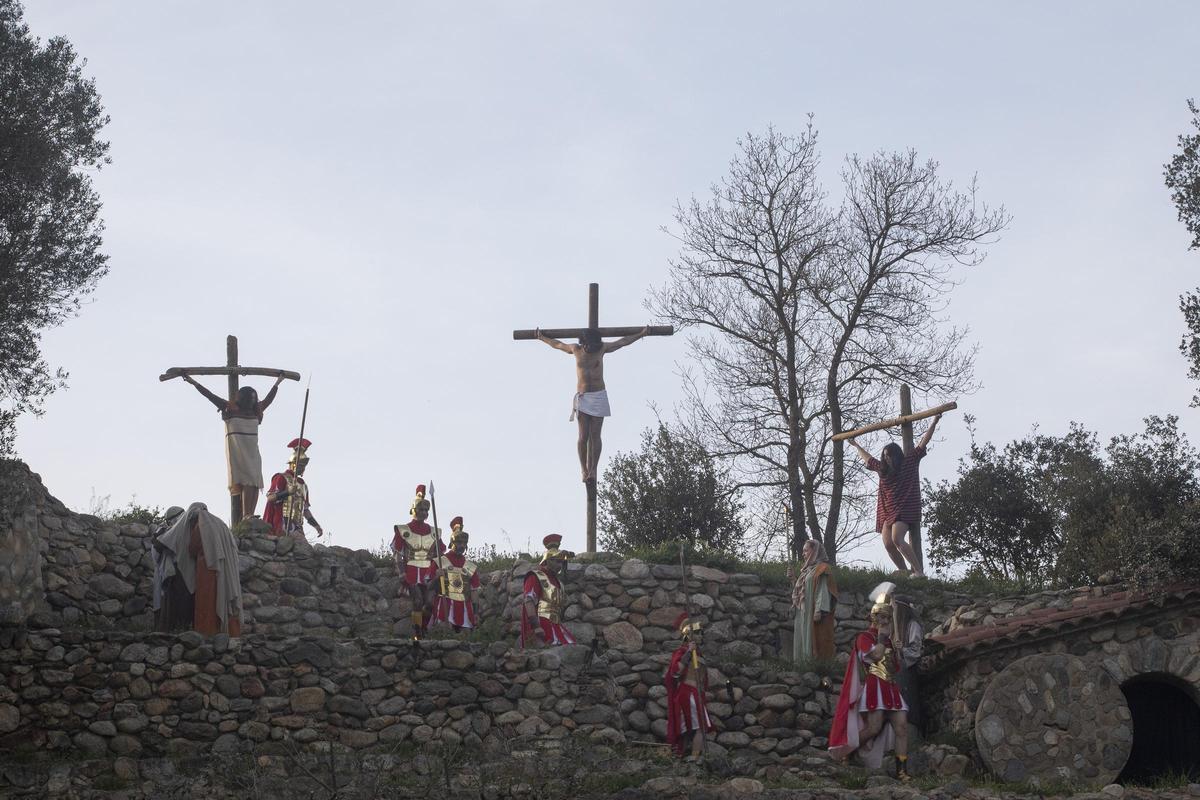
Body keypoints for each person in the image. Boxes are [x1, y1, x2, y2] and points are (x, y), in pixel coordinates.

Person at [535, 326, 649, 483]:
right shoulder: (576, 349)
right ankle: (584, 469)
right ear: (583, 343)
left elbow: (623, 341)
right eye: (588, 345)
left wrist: (641, 334)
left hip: (598, 396)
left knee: (595, 435)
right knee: (583, 436)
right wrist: (542, 338)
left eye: (593, 346)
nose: (590, 348)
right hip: (583, 397)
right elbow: (558, 344)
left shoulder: (601, 348)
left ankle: (593, 469)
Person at [848, 413, 943, 577]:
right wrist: (856, 445)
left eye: (889, 455)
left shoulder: (909, 462)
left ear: (896, 455)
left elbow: (922, 443)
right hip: (887, 511)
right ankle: (904, 572)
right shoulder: (882, 470)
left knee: (897, 539)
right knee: (887, 543)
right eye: (884, 456)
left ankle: (919, 572)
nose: (886, 458)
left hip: (904, 508)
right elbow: (868, 459)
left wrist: (934, 422)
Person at [181, 374, 285, 521]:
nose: (251, 401)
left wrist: (278, 382)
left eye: (253, 399)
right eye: (249, 398)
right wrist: (193, 382)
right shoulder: (230, 408)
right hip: (238, 449)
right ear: (241, 398)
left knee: (254, 481)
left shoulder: (256, 411)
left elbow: (269, 399)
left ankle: (249, 513)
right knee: (246, 480)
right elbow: (210, 395)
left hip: (253, 451)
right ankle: (246, 515)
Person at [829, 594, 910, 780]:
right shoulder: (864, 637)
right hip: (875, 687)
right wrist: (882, 640)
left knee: (902, 728)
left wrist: (897, 650)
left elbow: (895, 668)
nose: (886, 621)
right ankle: (847, 752)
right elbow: (874, 657)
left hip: (890, 687)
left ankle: (902, 771)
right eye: (883, 617)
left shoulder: (888, 640)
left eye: (889, 618)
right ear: (874, 618)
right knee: (873, 728)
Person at [154, 502, 243, 636]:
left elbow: (192, 548)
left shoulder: (200, 525)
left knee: (206, 603)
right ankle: (226, 632)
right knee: (224, 599)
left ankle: (206, 633)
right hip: (225, 570)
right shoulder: (220, 524)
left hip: (206, 570)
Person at [391, 484, 444, 640]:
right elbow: (398, 554)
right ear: (414, 509)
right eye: (421, 509)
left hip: (429, 572)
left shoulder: (434, 532)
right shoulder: (403, 530)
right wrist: (401, 572)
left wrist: (440, 568)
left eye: (426, 510)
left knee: (429, 603)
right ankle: (417, 632)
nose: (424, 512)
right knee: (418, 600)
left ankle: (424, 627)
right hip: (412, 570)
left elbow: (440, 555)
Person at [665, 612, 714, 759]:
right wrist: (688, 652)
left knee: (690, 727)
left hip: (696, 692)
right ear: (689, 635)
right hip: (687, 692)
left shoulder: (699, 654)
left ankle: (684, 754)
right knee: (699, 726)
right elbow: (675, 672)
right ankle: (693, 756)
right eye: (697, 633)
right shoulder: (682, 652)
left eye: (701, 634)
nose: (700, 636)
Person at [787, 538, 839, 662]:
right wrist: (793, 578)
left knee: (813, 636)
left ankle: (813, 665)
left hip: (812, 609)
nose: (803, 554)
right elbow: (802, 590)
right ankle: (801, 665)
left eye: (806, 551)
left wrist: (819, 610)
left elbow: (822, 589)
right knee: (802, 635)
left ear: (814, 551)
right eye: (803, 551)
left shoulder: (822, 568)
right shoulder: (806, 570)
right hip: (803, 611)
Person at [520, 534, 576, 647]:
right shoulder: (536, 576)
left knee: (572, 644)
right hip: (542, 624)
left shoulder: (558, 583)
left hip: (556, 623)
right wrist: (536, 627)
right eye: (556, 561)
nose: (559, 565)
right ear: (547, 560)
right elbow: (528, 601)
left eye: (561, 562)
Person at [263, 438, 325, 539]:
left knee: (302, 548)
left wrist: (316, 525)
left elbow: (304, 509)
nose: (303, 468)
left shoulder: (303, 485)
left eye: (304, 465)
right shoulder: (281, 477)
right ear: (293, 464)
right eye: (301, 465)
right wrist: (288, 492)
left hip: (297, 525)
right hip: (282, 521)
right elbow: (270, 498)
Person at [431, 516, 481, 630]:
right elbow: (429, 587)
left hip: (464, 609)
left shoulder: (470, 566)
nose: (462, 546)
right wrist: (436, 578)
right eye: (459, 542)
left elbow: (474, 592)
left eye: (464, 543)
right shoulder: (440, 561)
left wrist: (476, 612)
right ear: (452, 542)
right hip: (445, 605)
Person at [150, 506, 191, 632]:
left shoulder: (187, 531)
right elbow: (157, 553)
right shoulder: (162, 532)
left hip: (184, 574)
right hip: (168, 574)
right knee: (167, 605)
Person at [892, 595, 925, 734]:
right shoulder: (894, 628)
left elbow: (915, 651)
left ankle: (912, 734)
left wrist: (902, 649)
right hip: (895, 671)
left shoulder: (913, 626)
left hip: (907, 671)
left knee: (907, 702)